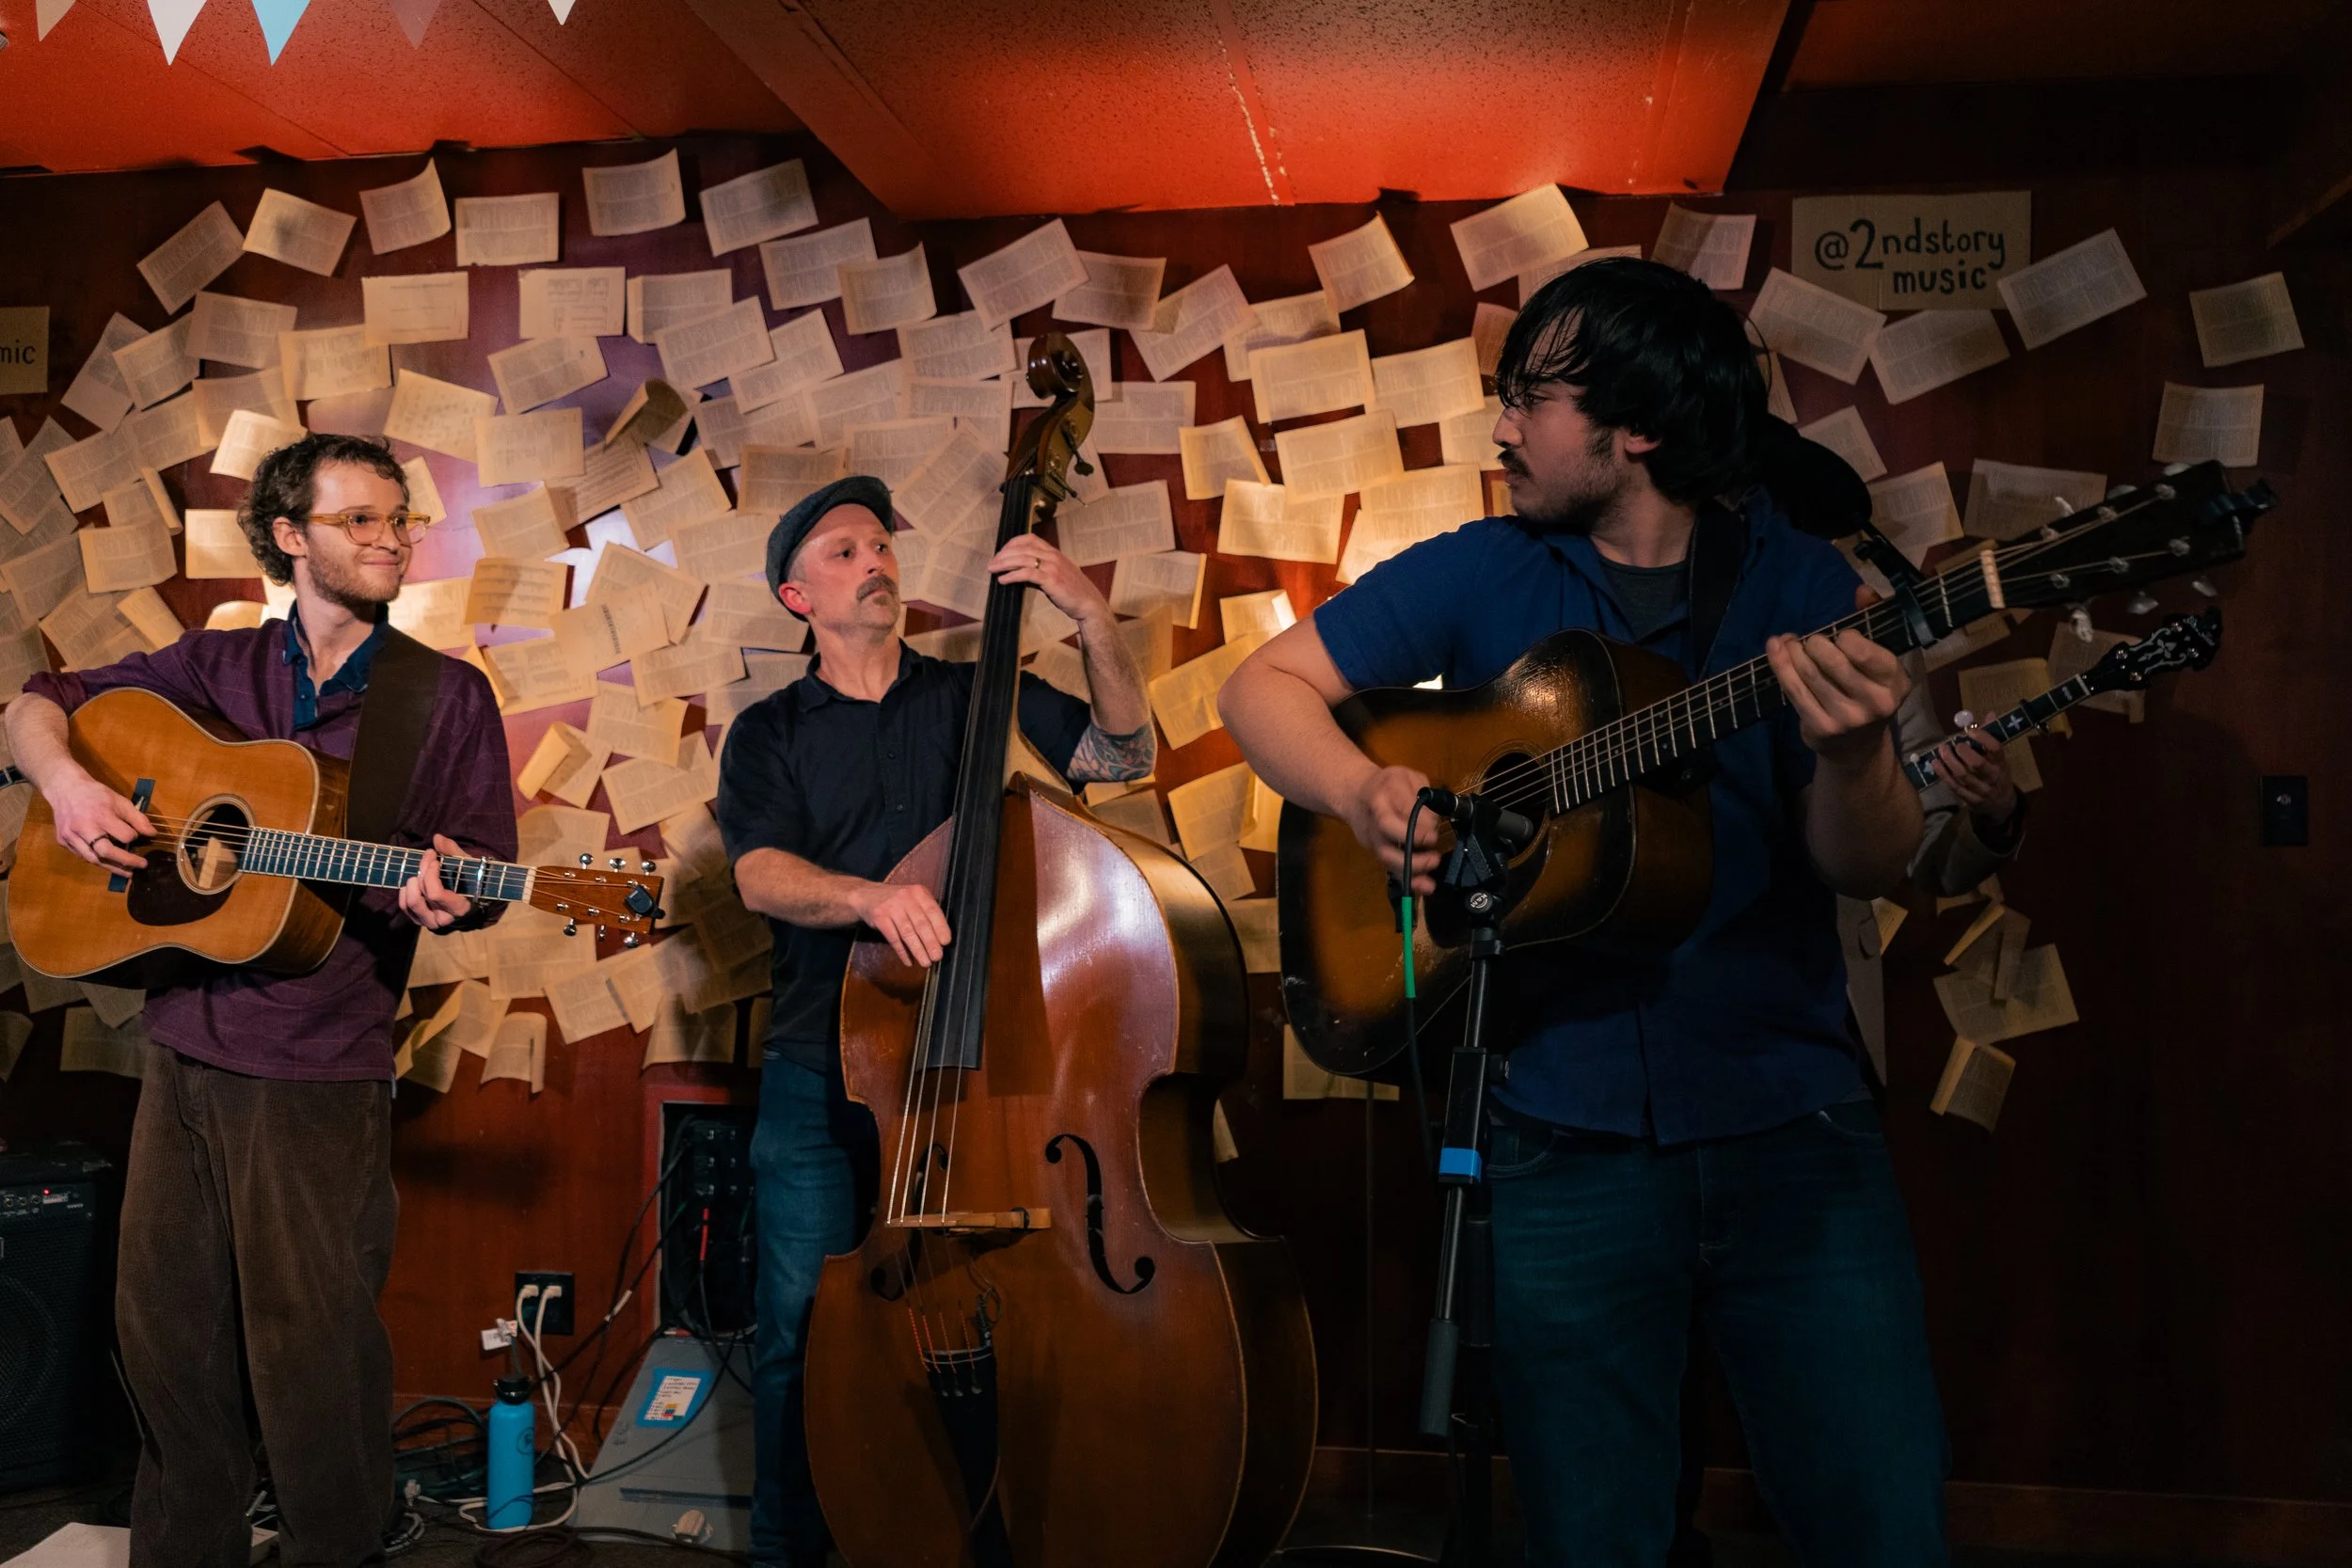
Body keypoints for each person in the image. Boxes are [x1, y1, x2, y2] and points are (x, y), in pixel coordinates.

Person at [1221, 258, 1948, 1565]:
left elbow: (1865, 863)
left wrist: (1855, 758)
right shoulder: (1485, 572)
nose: (1501, 425)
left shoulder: (1802, 589)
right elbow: (1264, 688)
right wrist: (1364, 786)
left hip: (1790, 1123)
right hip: (1558, 1119)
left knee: (1879, 1518)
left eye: (1527, 397)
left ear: (1638, 425)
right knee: (1591, 1531)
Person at [6, 434, 517, 1568]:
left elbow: (479, 865)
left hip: (317, 1059)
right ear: (290, 538)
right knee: (166, 1343)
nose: (390, 538)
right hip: (181, 1043)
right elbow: (35, 705)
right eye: (361, 521)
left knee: (310, 1357)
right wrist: (72, 785)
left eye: (400, 520)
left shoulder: (445, 698)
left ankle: (341, 1546)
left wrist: (452, 894)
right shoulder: (215, 667)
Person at [713, 476, 1156, 1568]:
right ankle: (791, 1549)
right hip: (824, 1072)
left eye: (881, 543)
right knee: (800, 1334)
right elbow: (762, 874)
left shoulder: (978, 692)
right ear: (797, 593)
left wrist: (1091, 615)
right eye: (846, 549)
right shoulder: (767, 730)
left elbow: (1120, 753)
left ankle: (976, 1536)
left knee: (992, 1321)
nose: (877, 560)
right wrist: (867, 896)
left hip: (981, 1075)